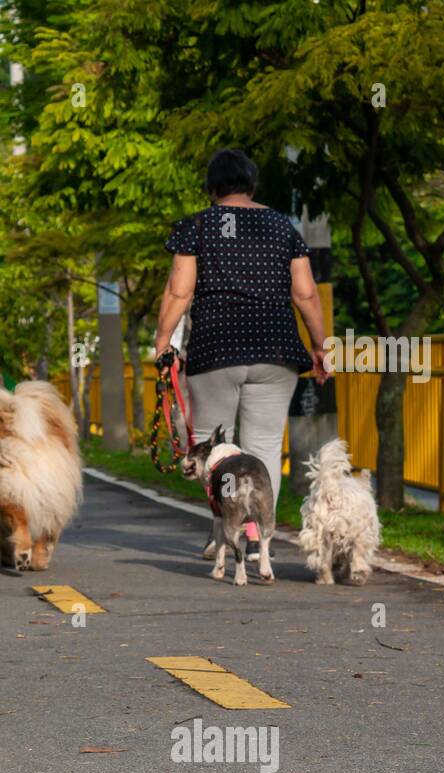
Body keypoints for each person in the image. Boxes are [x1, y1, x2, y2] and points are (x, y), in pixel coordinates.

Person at [154, 147, 329, 557]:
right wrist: (320, 346)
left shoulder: (196, 226)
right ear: (252, 185)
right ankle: (254, 536)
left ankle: (224, 532)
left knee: (213, 450)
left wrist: (164, 342)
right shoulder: (283, 227)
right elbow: (305, 293)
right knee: (263, 447)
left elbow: (180, 290)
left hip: (215, 347)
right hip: (276, 348)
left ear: (211, 187)